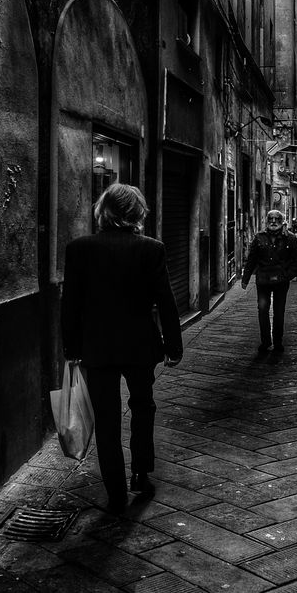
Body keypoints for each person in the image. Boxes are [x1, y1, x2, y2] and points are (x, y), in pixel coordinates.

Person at [61, 183, 183, 513]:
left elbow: (69, 304)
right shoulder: (151, 248)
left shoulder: (79, 248)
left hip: (98, 348)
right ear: (137, 213)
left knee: (106, 420)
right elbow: (166, 301)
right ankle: (140, 475)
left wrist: (71, 347)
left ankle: (115, 494)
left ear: (103, 211)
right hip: (140, 346)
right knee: (143, 407)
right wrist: (173, 345)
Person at [241, 210, 297, 353]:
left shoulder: (290, 238)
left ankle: (278, 342)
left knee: (279, 312)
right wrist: (245, 279)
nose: (273, 222)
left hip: (281, 282)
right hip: (263, 281)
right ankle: (265, 341)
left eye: (277, 219)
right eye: (271, 219)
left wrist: (287, 276)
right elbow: (251, 260)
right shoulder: (259, 238)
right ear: (267, 221)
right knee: (262, 310)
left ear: (282, 221)